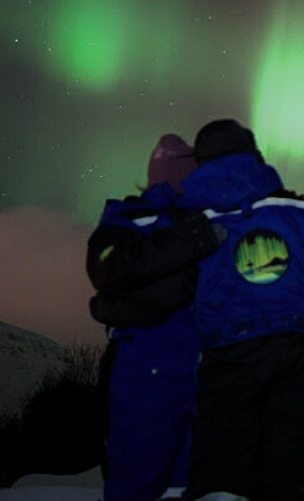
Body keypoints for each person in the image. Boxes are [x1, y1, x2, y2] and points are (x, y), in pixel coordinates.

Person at [179, 119, 304, 501]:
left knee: (221, 481)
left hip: (228, 357)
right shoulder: (295, 209)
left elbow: (176, 291)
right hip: (298, 354)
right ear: (252, 154)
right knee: (290, 482)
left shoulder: (194, 216)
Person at [87, 133, 222, 501]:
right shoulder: (133, 219)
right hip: (147, 371)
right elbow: (107, 268)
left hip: (194, 374)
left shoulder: (205, 225)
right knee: (142, 483)